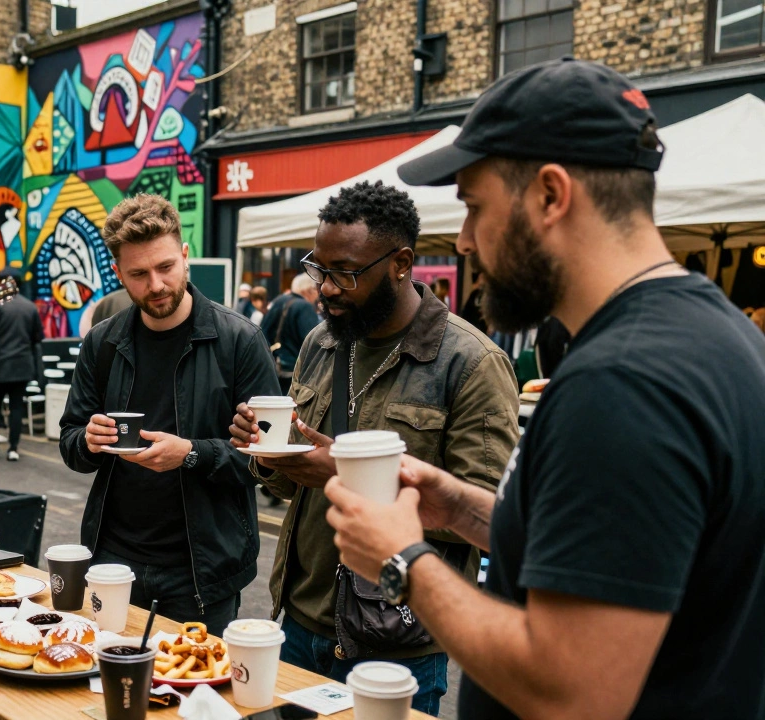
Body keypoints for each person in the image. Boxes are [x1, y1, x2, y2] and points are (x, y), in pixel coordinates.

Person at [323, 58, 765, 720]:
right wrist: (466, 510)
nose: (466, 241)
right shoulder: (718, 333)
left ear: (552, 195)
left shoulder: (621, 384)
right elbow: (631, 555)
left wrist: (401, 562)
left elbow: (573, 692)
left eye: (475, 208)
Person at [229, 181, 520, 715]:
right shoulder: (321, 342)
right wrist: (267, 451)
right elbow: (287, 481)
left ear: (402, 263)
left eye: (345, 272)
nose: (327, 289)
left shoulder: (470, 362)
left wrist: (339, 473)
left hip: (397, 639)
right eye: (319, 269)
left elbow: (491, 514)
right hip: (297, 619)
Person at [59, 194, 279, 636]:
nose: (156, 284)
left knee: (196, 697)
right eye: (138, 274)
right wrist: (88, 440)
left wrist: (191, 454)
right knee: (109, 691)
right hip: (113, 561)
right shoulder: (102, 343)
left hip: (201, 569)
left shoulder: (238, 340)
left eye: (165, 268)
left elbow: (268, 462)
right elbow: (70, 441)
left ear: (184, 257)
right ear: (119, 274)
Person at [0, 267, 44, 461]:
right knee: (17, 408)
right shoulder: (30, 307)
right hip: (22, 366)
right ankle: (13, 449)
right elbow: (36, 339)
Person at [261, 273, 321, 393]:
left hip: (275, 366)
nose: (318, 294)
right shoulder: (305, 307)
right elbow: (312, 342)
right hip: (295, 370)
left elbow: (263, 331)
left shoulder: (278, 301)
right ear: (308, 290)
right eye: (316, 289)